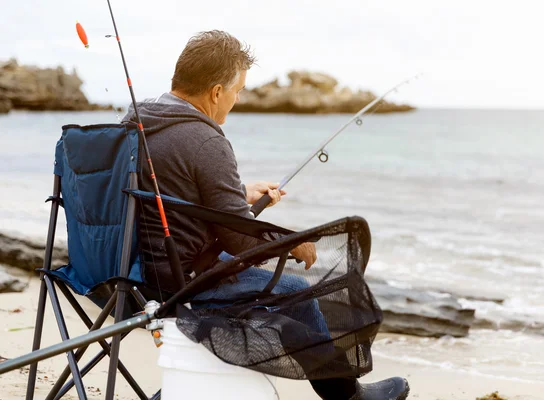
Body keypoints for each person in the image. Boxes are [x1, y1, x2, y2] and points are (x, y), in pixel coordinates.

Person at [123, 30, 409, 400]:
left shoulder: (135, 122)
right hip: (174, 282)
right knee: (294, 290)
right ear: (215, 92)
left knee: (265, 279)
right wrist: (291, 242)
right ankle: (346, 396)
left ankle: (189, 384)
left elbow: (165, 192)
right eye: (237, 90)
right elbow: (240, 240)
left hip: (123, 272)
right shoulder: (206, 140)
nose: (237, 99)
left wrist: (241, 196)